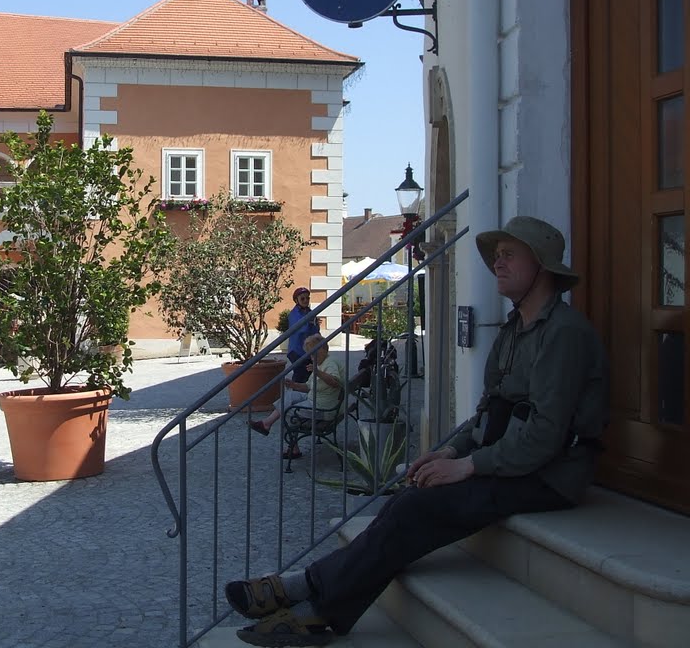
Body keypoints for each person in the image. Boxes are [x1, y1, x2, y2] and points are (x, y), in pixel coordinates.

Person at [225, 216, 608, 646]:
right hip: (513, 459)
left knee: (414, 511)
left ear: (541, 265)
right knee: (408, 500)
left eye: (509, 255)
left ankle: (311, 600)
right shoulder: (513, 331)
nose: (497, 264)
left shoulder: (564, 335)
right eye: (496, 256)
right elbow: (488, 412)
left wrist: (468, 466)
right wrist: (451, 453)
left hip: (550, 474)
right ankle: (310, 594)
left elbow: (545, 437)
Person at [249, 334, 345, 459]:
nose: (310, 357)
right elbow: (309, 386)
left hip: (324, 409)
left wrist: (317, 373)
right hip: (318, 400)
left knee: (286, 412)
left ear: (320, 351)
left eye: (311, 354)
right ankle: (267, 423)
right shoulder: (324, 362)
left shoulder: (329, 364)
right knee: (290, 395)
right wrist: (294, 384)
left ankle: (292, 449)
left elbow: (335, 383)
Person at [286, 287, 321, 384]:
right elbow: (299, 329)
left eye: (307, 298)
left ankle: (303, 394)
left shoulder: (310, 312)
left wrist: (315, 325)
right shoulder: (293, 314)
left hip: (308, 351)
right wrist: (309, 323)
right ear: (296, 300)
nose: (306, 300)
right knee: (300, 375)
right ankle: (295, 393)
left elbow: (315, 331)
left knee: (308, 376)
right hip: (297, 351)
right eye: (302, 298)